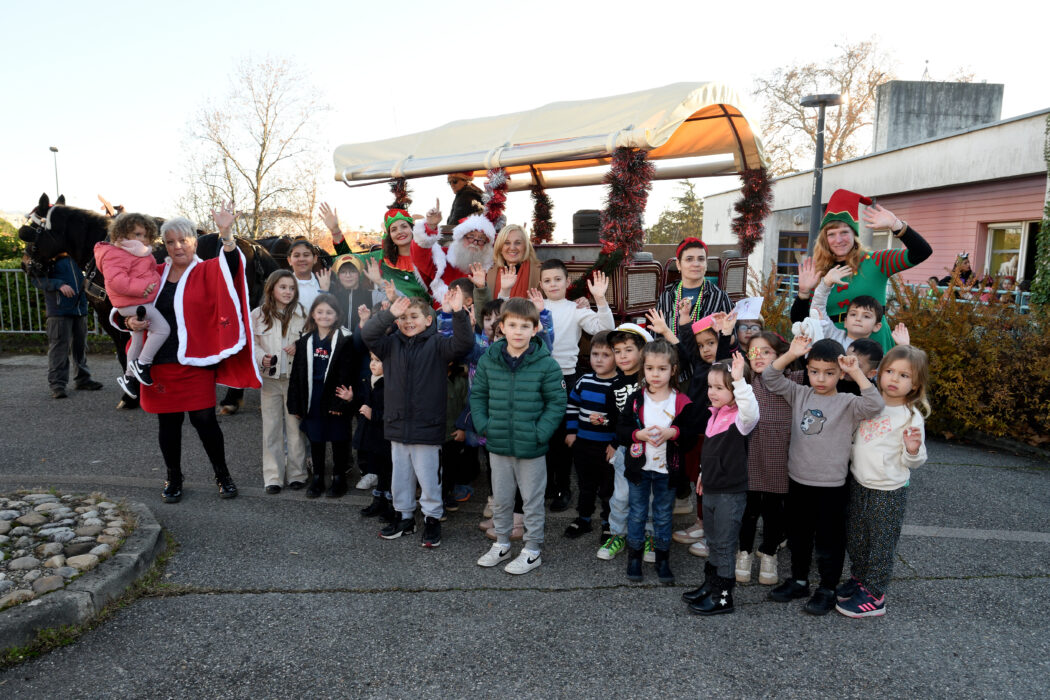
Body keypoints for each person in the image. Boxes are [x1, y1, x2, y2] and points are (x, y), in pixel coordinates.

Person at [123, 206, 260, 503]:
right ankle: (173, 478)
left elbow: (234, 268)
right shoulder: (154, 274)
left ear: (194, 241)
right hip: (158, 363)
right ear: (165, 246)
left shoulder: (208, 269)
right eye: (170, 242)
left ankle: (223, 475)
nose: (177, 246)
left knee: (204, 421)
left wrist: (226, 234)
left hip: (195, 360)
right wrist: (129, 321)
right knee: (168, 425)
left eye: (183, 240)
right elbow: (130, 302)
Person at [763, 335, 884, 615]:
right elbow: (771, 377)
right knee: (798, 536)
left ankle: (828, 588)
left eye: (829, 373)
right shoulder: (799, 393)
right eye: (814, 371)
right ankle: (799, 580)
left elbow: (875, 404)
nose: (820, 378)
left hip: (832, 486)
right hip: (798, 480)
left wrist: (855, 371)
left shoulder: (848, 402)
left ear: (840, 373)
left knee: (830, 540)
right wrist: (791, 353)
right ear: (806, 369)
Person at [362, 290, 474, 547]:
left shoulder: (438, 344)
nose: (408, 321)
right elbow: (368, 334)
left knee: (428, 477)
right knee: (400, 476)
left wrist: (458, 313)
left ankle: (432, 519)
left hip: (427, 427)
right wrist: (389, 314)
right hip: (397, 424)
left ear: (429, 320)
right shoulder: (389, 345)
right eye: (403, 317)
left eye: (414, 316)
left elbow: (464, 344)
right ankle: (405, 517)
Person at [471, 298, 567, 574]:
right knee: (501, 499)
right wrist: (484, 425)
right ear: (501, 327)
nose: (518, 331)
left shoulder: (546, 365)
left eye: (525, 326)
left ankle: (532, 549)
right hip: (498, 443)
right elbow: (478, 396)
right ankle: (501, 543)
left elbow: (557, 402)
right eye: (512, 325)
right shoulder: (490, 360)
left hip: (531, 447)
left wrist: (540, 433)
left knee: (532, 502)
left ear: (535, 329)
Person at [837, 345, 929, 618]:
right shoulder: (870, 403)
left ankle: (875, 595)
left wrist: (913, 449)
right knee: (856, 537)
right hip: (858, 483)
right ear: (879, 373)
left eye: (904, 375)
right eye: (889, 371)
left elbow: (915, 461)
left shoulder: (911, 416)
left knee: (881, 543)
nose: (893, 379)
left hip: (888, 491)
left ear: (915, 384)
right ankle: (860, 579)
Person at [791, 190, 932, 351]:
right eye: (832, 234)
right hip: (831, 347)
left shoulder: (877, 261)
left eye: (844, 232)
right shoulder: (817, 273)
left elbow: (922, 252)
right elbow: (800, 321)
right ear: (825, 239)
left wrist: (896, 225)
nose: (838, 240)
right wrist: (803, 293)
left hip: (874, 345)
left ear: (854, 234)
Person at [617, 339, 702, 585]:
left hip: (668, 470)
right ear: (643, 369)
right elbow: (620, 430)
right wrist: (638, 435)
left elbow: (690, 436)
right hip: (639, 469)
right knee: (637, 514)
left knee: (664, 515)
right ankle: (634, 558)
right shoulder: (636, 400)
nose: (656, 374)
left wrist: (673, 432)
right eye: (650, 368)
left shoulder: (681, 401)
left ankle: (662, 559)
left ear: (673, 369)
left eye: (662, 369)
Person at [685, 352, 758, 615]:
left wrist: (739, 382)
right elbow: (711, 451)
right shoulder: (715, 414)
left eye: (719, 387)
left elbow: (751, 411)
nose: (712, 392)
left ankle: (723, 598)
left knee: (725, 545)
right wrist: (704, 472)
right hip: (712, 488)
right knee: (713, 540)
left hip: (730, 492)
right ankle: (710, 585)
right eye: (710, 386)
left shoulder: (742, 418)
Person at [540, 261, 615, 512]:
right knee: (542, 436)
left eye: (557, 279)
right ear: (540, 284)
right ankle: (546, 486)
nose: (552, 284)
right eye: (547, 280)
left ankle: (563, 488)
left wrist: (600, 300)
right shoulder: (535, 307)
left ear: (567, 282)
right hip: (537, 379)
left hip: (565, 378)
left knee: (563, 437)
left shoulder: (575, 308)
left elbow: (605, 329)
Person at [731, 332, 799, 586]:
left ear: (781, 355)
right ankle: (744, 552)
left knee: (774, 511)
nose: (757, 357)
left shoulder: (793, 381)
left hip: (779, 460)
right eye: (753, 351)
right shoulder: (743, 380)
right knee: (748, 510)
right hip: (748, 458)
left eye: (766, 351)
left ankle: (769, 552)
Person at [287, 294, 358, 499]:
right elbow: (298, 375)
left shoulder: (345, 339)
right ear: (313, 315)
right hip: (313, 397)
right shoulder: (306, 340)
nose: (324, 316)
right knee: (316, 439)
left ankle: (338, 478)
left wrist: (344, 400)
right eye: (320, 312)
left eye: (329, 312)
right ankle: (317, 477)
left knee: (338, 439)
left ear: (337, 316)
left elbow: (349, 372)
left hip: (336, 396)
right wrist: (297, 405)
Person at [93, 212, 170, 394]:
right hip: (135, 302)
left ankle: (129, 377)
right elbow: (116, 281)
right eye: (137, 235)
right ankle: (143, 363)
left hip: (136, 302)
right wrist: (143, 288)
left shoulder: (135, 253)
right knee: (162, 329)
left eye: (144, 235)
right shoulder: (117, 253)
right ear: (122, 234)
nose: (142, 239)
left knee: (137, 339)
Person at [597, 323, 653, 562]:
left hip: (652, 449)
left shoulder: (651, 379)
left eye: (628, 350)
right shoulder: (614, 386)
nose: (622, 356)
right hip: (624, 449)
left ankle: (650, 536)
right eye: (617, 351)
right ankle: (618, 534)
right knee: (621, 496)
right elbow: (615, 419)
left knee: (649, 496)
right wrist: (611, 437)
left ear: (643, 351)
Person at [252, 270, 308, 494]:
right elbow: (253, 343)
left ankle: (297, 473)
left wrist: (299, 346)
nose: (287, 292)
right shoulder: (257, 314)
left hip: (294, 380)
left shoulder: (303, 313)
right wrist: (260, 357)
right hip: (270, 380)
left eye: (291, 288)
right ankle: (273, 476)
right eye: (283, 287)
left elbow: (311, 340)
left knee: (295, 429)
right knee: (272, 428)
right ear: (272, 288)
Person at [564, 330, 619, 540]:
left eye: (606, 355)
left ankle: (608, 522)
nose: (599, 359)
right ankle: (584, 518)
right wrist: (571, 432)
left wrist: (611, 435)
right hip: (583, 444)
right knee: (586, 484)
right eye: (595, 354)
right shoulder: (584, 380)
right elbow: (572, 406)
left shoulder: (619, 385)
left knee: (608, 487)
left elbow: (621, 419)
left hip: (607, 447)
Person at [26, 251, 103, 399]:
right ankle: (57, 385)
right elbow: (36, 279)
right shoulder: (47, 256)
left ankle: (83, 379)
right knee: (59, 348)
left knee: (80, 346)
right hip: (59, 311)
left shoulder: (75, 256)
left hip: (79, 309)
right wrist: (59, 284)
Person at [323, 203, 431, 302]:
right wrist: (335, 230)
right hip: (392, 318)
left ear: (413, 229)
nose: (399, 231)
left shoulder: (430, 256)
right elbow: (350, 261)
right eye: (393, 229)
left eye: (404, 226)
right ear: (389, 235)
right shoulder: (381, 258)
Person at [413, 210, 496, 301]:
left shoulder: (488, 267)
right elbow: (420, 256)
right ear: (461, 238)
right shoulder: (444, 255)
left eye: (481, 239)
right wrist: (430, 228)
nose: (475, 242)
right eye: (471, 236)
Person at [655, 237, 732, 332]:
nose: (696, 264)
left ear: (706, 264)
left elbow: (732, 340)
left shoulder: (720, 297)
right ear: (678, 264)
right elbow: (655, 336)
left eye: (701, 259)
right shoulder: (666, 295)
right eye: (689, 259)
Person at [355, 350, 396, 522]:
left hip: (386, 436)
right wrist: (352, 399)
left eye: (378, 361)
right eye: (371, 359)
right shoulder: (370, 380)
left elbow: (392, 412)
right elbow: (364, 402)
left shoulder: (390, 384)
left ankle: (391, 505)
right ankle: (378, 501)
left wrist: (375, 414)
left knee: (389, 471)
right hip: (373, 435)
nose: (373, 364)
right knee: (379, 470)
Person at [807, 265, 885, 351]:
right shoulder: (833, 336)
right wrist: (826, 284)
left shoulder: (874, 352)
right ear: (845, 321)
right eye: (853, 314)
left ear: (877, 326)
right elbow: (817, 310)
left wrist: (902, 343)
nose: (858, 319)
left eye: (866, 316)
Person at [485, 224, 541, 299]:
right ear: (500, 248)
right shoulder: (488, 273)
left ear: (525, 247)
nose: (512, 248)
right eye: (507, 243)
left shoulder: (540, 273)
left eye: (518, 243)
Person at [286, 238, 331, 312]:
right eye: (296, 256)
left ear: (315, 259)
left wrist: (324, 292)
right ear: (289, 260)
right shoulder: (281, 285)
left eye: (306, 255)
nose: (301, 259)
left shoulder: (325, 284)